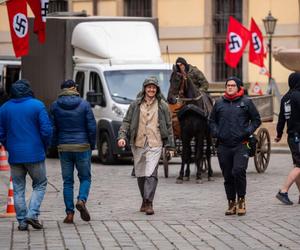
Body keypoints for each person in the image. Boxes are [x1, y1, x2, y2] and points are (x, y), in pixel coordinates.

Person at [117, 76, 174, 215]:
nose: (151, 89)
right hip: (138, 143)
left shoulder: (163, 105)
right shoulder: (135, 105)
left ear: (157, 89)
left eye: (154, 87)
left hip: (155, 142)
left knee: (151, 173)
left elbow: (169, 126)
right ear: (144, 89)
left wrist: (170, 146)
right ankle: (144, 199)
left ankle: (149, 203)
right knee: (141, 173)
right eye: (149, 87)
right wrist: (122, 137)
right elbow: (126, 122)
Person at [0, 79, 52, 231]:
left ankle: (22, 221)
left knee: (18, 188)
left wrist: (9, 145)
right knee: (40, 184)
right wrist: (45, 146)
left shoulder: (4, 108)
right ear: (29, 90)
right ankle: (33, 213)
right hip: (35, 153)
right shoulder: (37, 105)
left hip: (15, 155)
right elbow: (47, 130)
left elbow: (1, 133)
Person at [209, 76, 261, 216]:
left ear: (238, 87)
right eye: (228, 85)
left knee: (238, 171)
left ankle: (241, 200)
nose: (230, 87)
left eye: (232, 85)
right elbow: (212, 121)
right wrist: (216, 132)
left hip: (241, 144)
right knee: (227, 175)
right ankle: (231, 203)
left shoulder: (246, 102)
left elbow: (256, 120)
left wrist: (247, 131)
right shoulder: (219, 103)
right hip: (224, 145)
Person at [50, 79, 96, 223]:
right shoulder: (84, 104)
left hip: (64, 147)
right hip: (82, 146)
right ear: (74, 88)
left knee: (68, 182)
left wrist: (54, 145)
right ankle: (81, 200)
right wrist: (92, 144)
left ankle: (69, 214)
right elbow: (92, 127)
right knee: (85, 178)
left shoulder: (55, 106)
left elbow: (53, 129)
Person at [275, 72, 300, 205]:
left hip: (291, 136)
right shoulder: (298, 96)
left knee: (297, 165)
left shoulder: (286, 97)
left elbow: (281, 118)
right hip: (298, 136)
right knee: (299, 165)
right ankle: (283, 191)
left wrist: (279, 134)